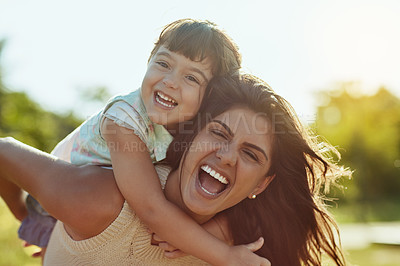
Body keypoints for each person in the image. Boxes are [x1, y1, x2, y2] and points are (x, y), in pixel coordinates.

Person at [0, 74, 348, 265]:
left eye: (251, 155)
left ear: (263, 183)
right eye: (218, 133)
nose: (227, 157)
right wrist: (30, 219)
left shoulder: (245, 243)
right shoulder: (102, 200)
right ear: (189, 139)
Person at [2, 18, 271, 265]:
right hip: (59, 194)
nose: (169, 81)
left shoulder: (201, 128)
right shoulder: (123, 120)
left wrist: (216, 230)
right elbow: (151, 208)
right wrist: (222, 254)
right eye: (163, 64)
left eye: (191, 77)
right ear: (149, 60)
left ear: (212, 97)